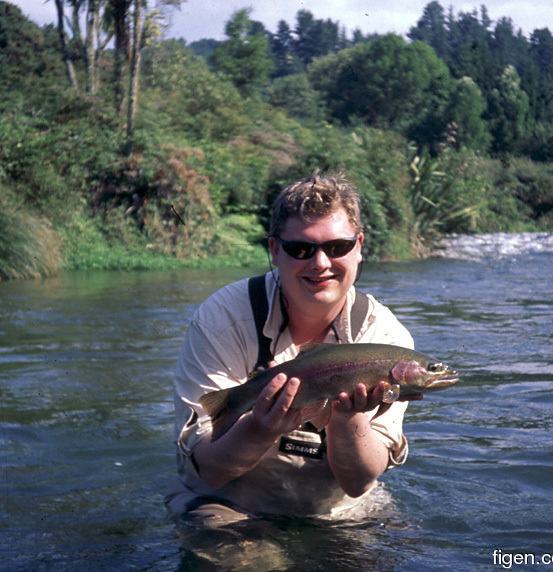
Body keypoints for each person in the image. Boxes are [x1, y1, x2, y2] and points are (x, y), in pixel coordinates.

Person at [165, 171, 420, 525]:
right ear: (274, 249)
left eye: (337, 247)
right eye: (301, 249)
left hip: (339, 513)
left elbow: (360, 481)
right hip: (228, 508)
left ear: (359, 247)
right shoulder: (223, 318)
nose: (320, 263)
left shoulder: (386, 336)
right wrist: (260, 427)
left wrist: (347, 419)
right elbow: (209, 470)